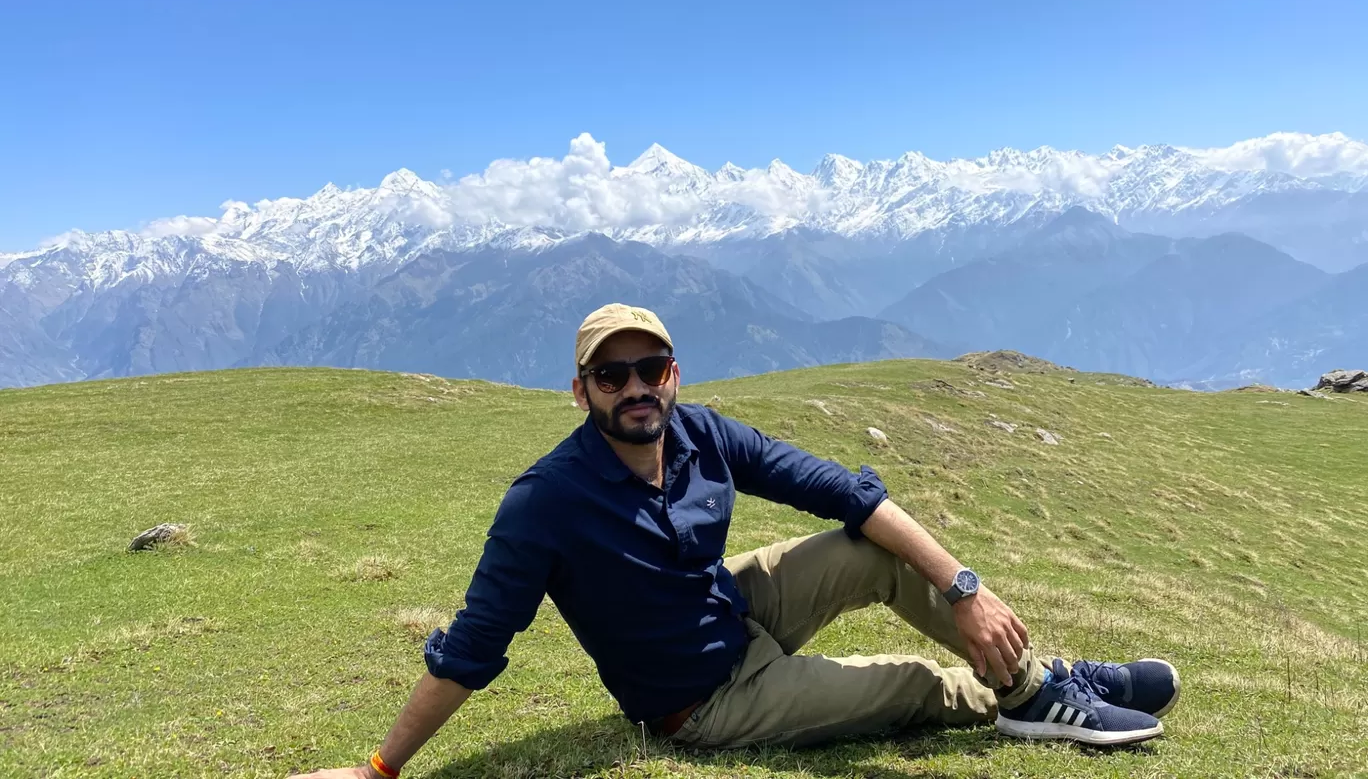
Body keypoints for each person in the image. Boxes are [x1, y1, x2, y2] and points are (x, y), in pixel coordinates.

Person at [290, 303, 1180, 779]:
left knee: (878, 550)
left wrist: (966, 588)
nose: (636, 388)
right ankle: (1029, 701)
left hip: (732, 607)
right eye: (613, 375)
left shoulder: (701, 433)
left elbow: (843, 490)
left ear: (673, 374)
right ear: (582, 391)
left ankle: (1033, 676)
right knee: (908, 686)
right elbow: (472, 650)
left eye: (652, 369)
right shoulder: (545, 505)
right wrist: (379, 770)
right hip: (701, 698)